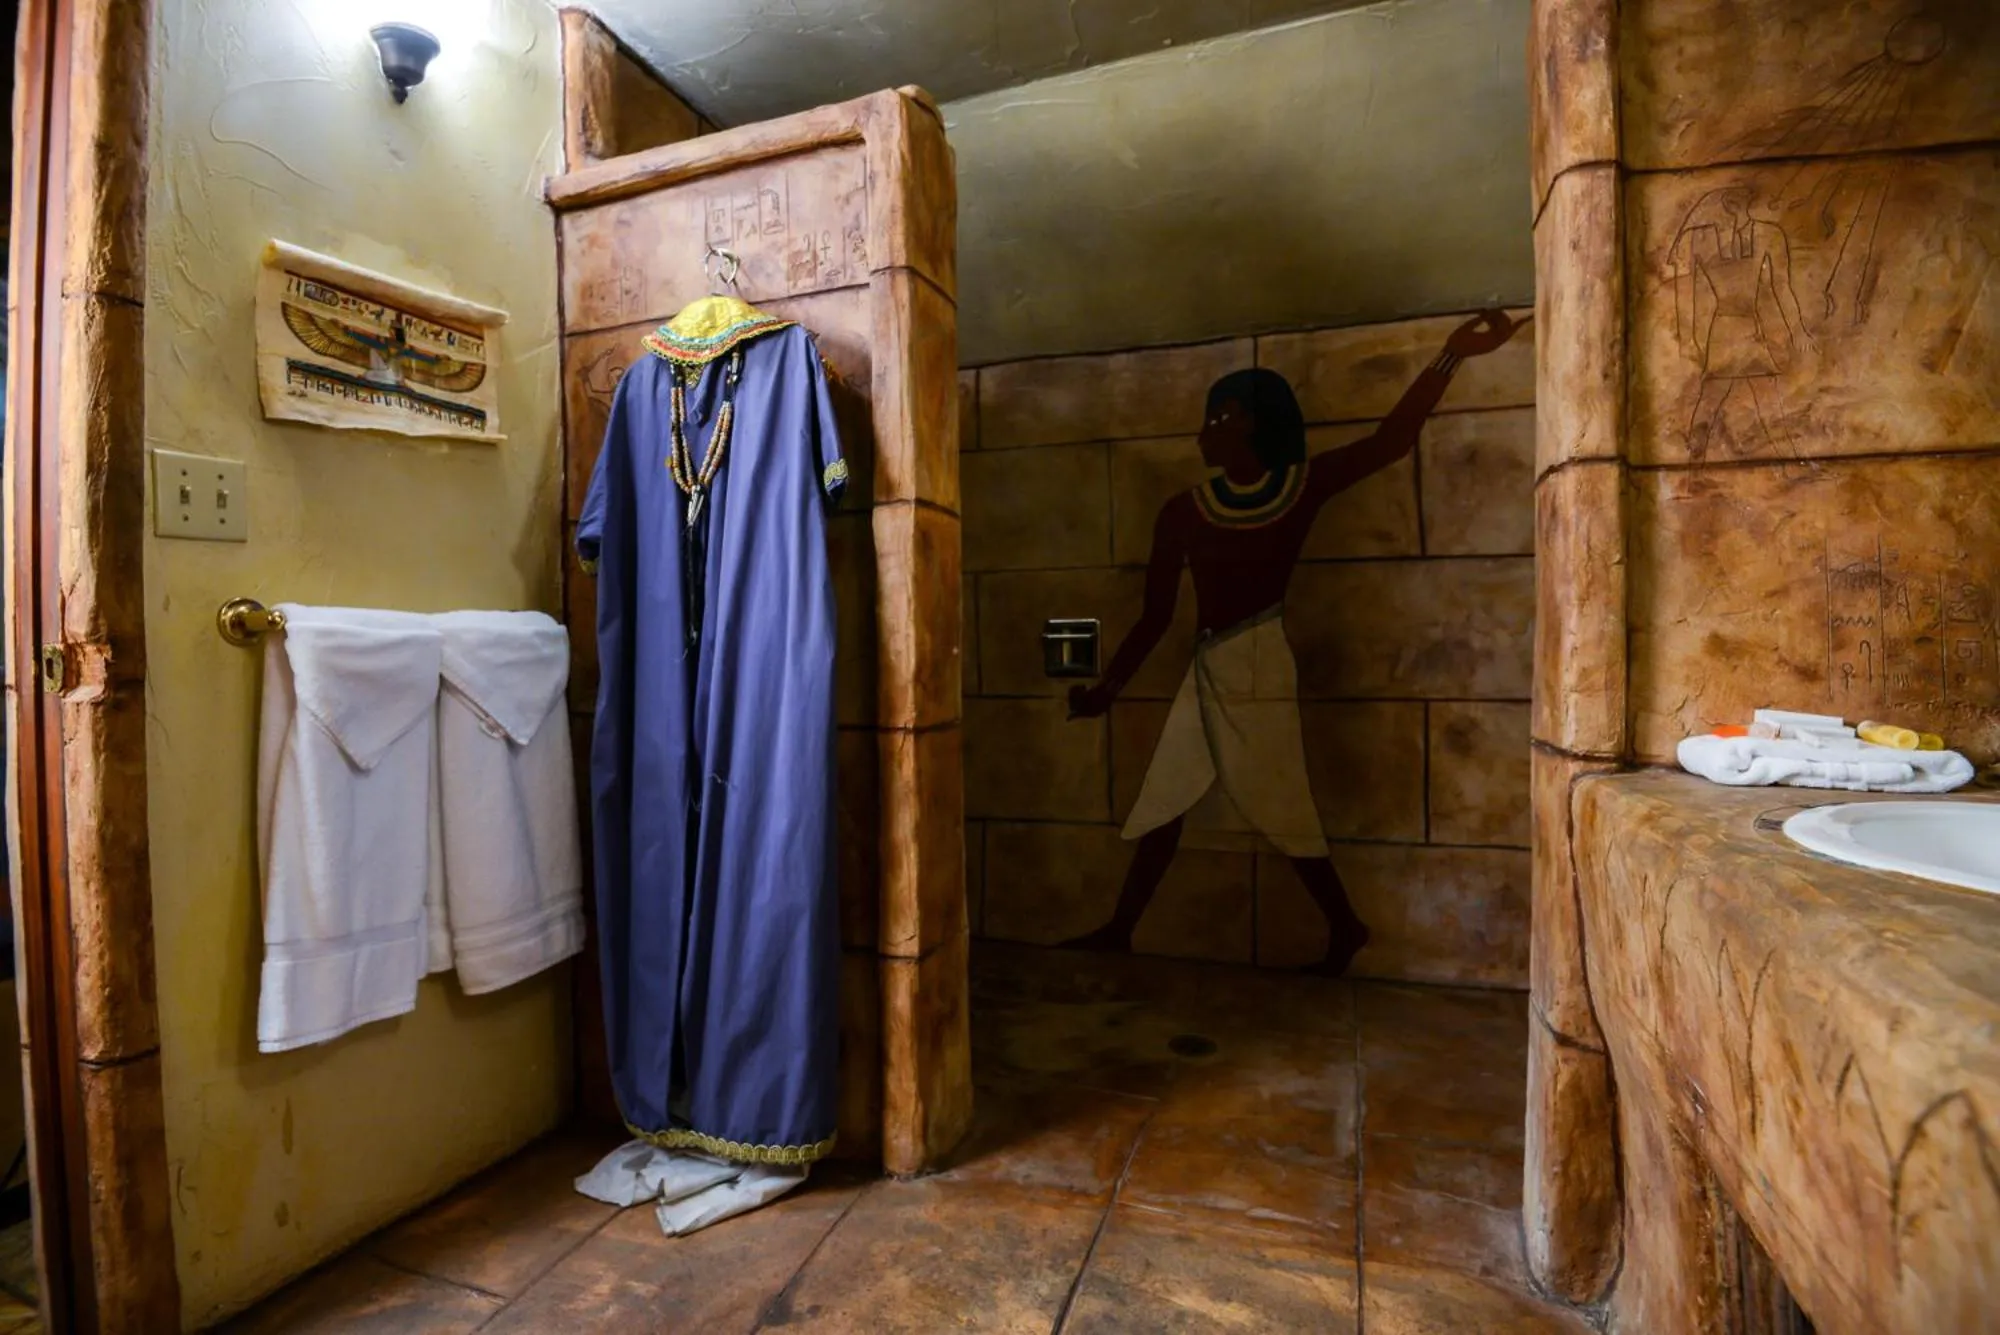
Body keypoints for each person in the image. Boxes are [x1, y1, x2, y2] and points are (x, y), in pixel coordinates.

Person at [1063, 309, 1526, 975]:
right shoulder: (1184, 510)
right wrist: (1107, 689)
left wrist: (1452, 354)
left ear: (1247, 422)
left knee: (1283, 803)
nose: (1202, 433)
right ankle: (1122, 927)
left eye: (1216, 418)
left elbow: (1392, 440)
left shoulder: (1298, 485)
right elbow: (1156, 616)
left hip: (1259, 659)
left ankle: (1344, 926)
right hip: (1210, 667)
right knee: (1164, 797)